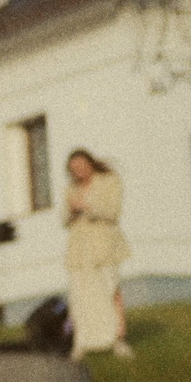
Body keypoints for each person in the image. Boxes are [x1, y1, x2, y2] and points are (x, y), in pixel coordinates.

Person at [63, 148, 131, 358]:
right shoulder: (71, 189)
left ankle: (119, 341)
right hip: (80, 251)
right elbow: (64, 220)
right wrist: (72, 211)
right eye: (74, 168)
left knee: (111, 291)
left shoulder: (109, 181)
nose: (79, 170)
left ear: (90, 163)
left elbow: (113, 212)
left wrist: (87, 207)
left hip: (104, 246)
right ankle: (81, 343)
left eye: (82, 165)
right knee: (80, 297)